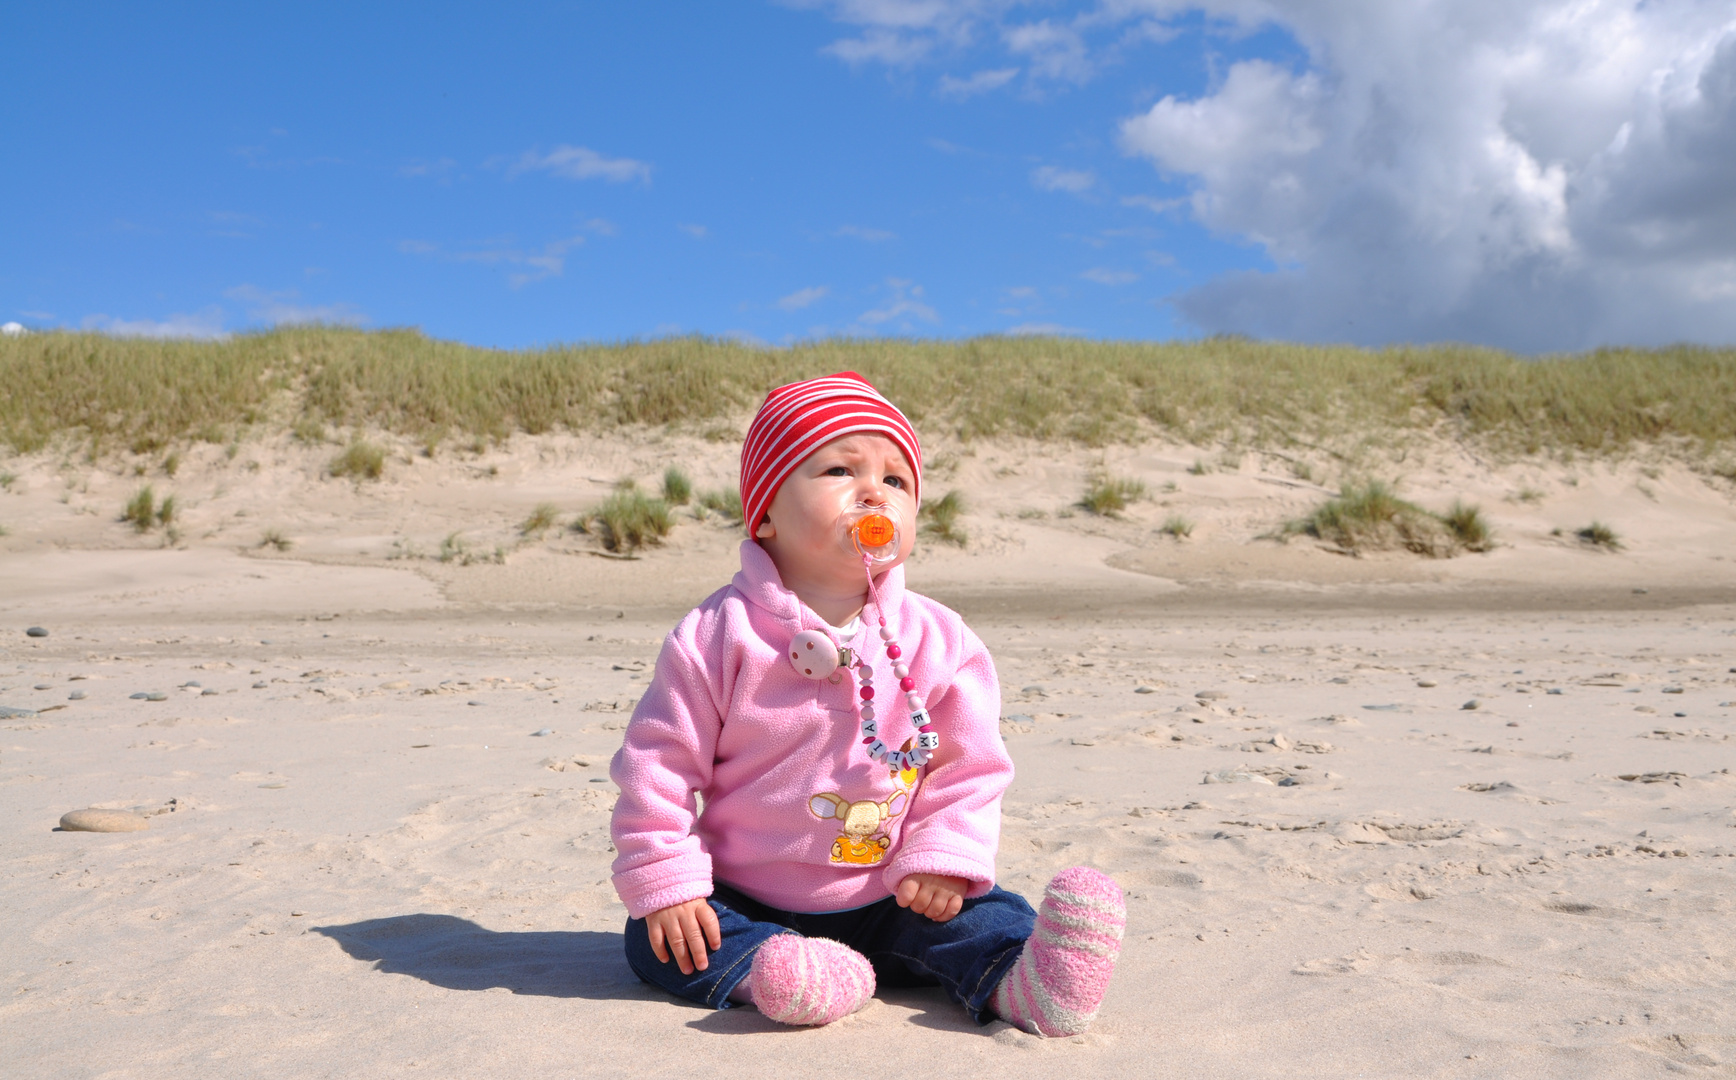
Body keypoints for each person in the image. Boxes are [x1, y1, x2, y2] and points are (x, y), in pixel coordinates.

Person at [609, 372, 1124, 1035]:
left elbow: (969, 766)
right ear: (764, 512)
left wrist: (941, 856)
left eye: (897, 480)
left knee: (986, 916)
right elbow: (658, 765)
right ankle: (781, 969)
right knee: (658, 939)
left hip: (895, 891)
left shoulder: (939, 639)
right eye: (839, 468)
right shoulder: (719, 633)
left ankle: (1026, 983)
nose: (873, 489)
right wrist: (669, 879)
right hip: (742, 892)